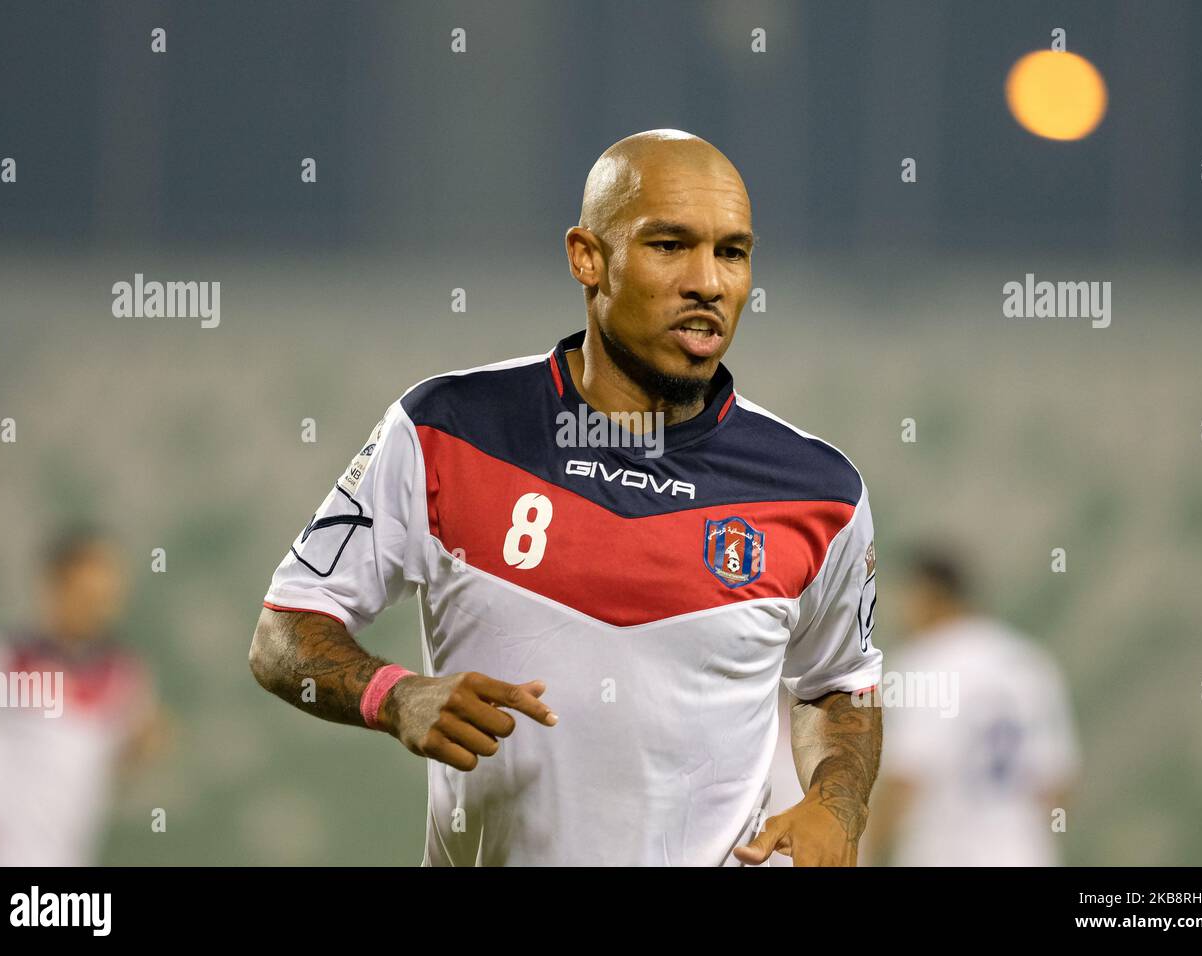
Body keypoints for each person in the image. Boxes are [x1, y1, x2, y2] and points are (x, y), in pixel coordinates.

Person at [250, 129, 884, 866]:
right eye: (670, 245)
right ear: (588, 257)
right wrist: (393, 696)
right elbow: (284, 632)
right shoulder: (447, 428)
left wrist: (838, 802)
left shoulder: (819, 493)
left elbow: (841, 686)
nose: (708, 282)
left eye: (732, 253)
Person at [0, 527, 165, 866]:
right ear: (53, 587)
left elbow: (96, 760)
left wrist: (140, 746)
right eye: (86, 596)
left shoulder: (123, 679)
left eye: (105, 598)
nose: (97, 609)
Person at [864, 546, 1080, 866]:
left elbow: (905, 777)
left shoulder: (925, 662)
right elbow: (1058, 781)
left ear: (927, 595)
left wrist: (864, 852)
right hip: (1024, 855)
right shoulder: (1029, 662)